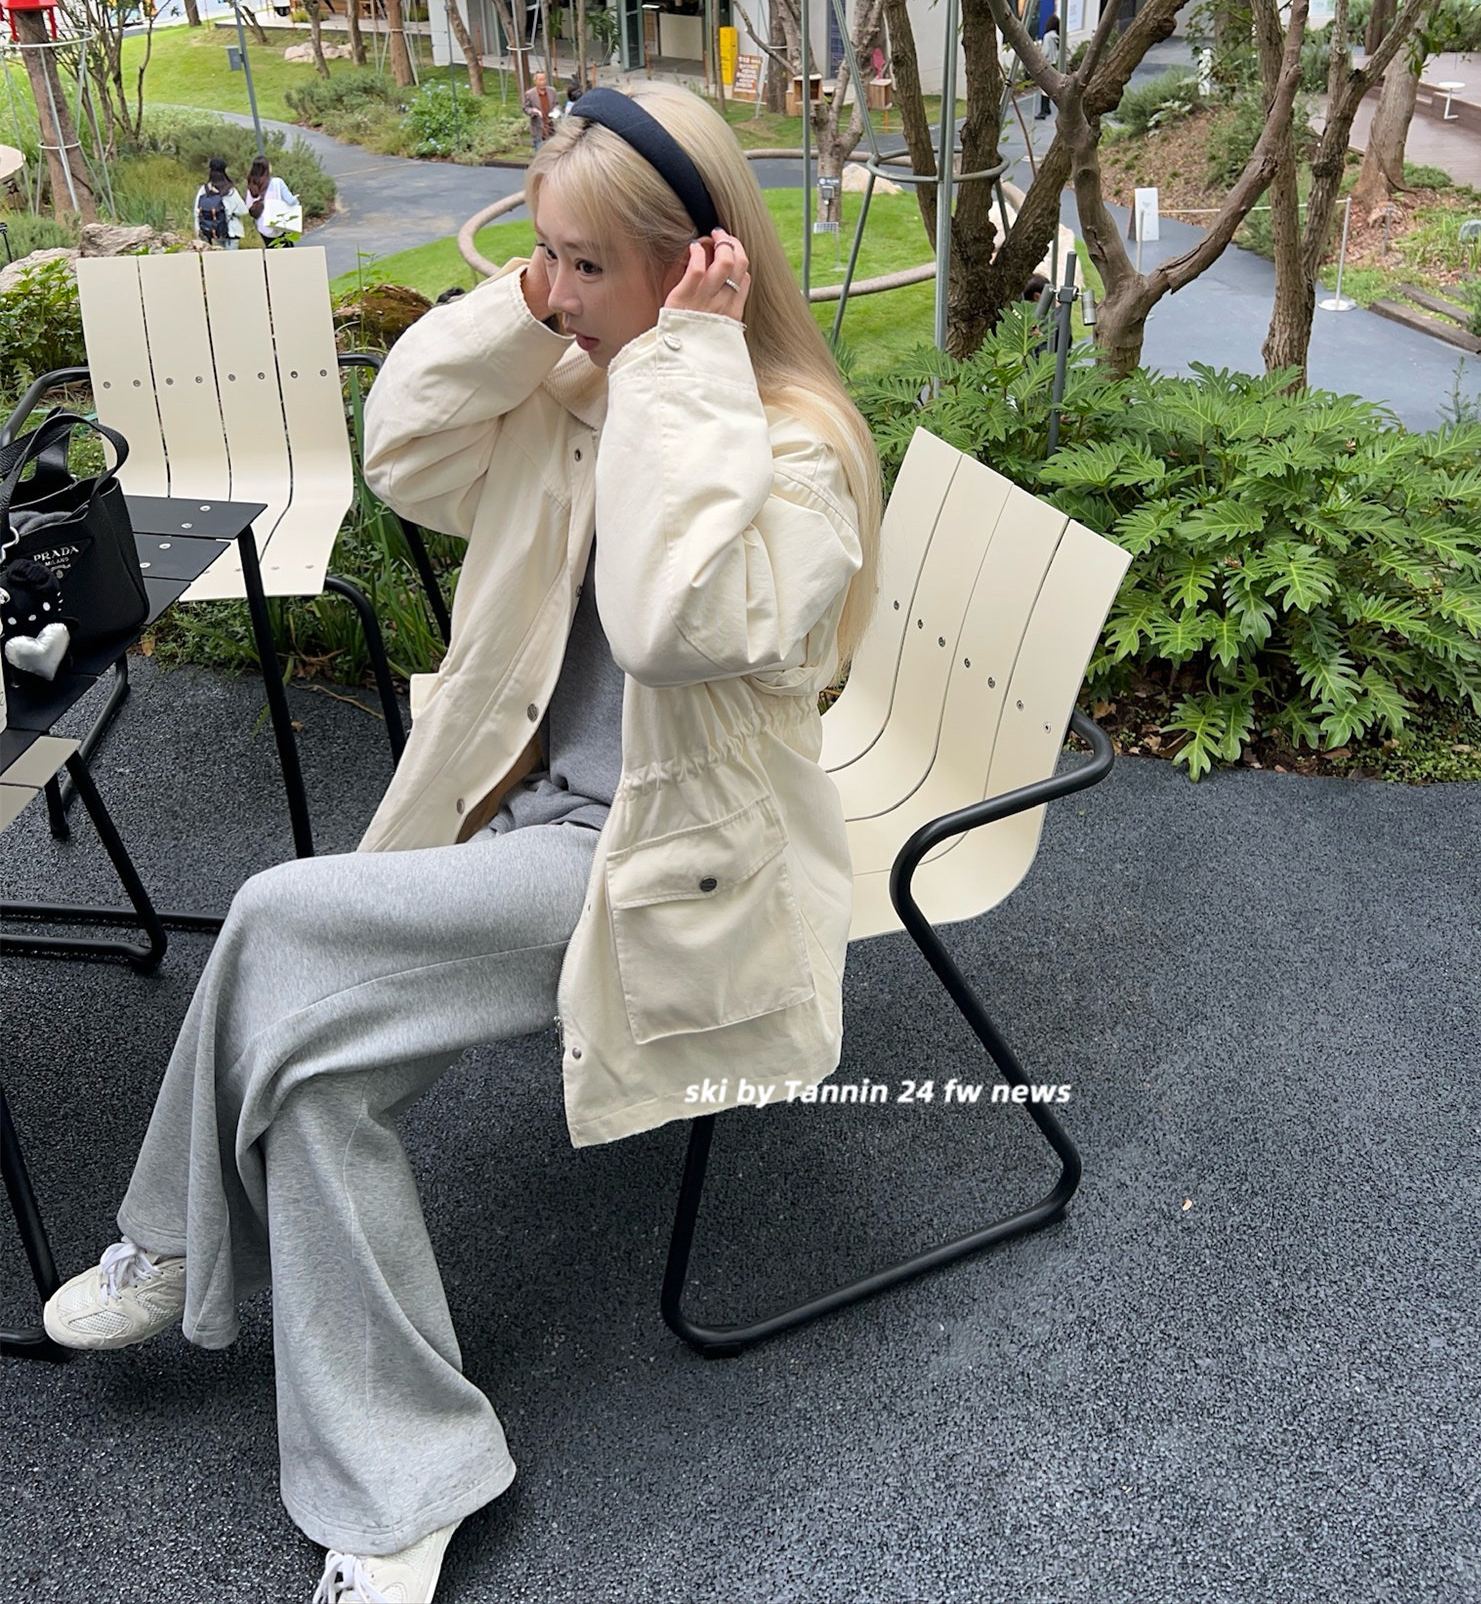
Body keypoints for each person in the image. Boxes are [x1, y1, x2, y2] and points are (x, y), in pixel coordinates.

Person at [41, 83, 883, 1604]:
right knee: (316, 1086)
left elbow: (675, 621)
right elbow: (405, 456)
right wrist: (534, 307)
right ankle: (405, 1493)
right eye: (542, 254)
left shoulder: (796, 450)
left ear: (698, 264)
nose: (555, 291)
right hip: (528, 810)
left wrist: (682, 368)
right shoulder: (579, 388)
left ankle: (167, 1237)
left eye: (584, 264)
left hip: (659, 865)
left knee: (279, 914)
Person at [246, 153, 304, 247]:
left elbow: (249, 205)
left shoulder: (252, 186)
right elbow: (290, 201)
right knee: (287, 250)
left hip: (263, 226)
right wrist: (296, 201)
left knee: (271, 250)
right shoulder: (277, 182)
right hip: (279, 224)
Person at [192, 158, 248, 250]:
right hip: (231, 232)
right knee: (232, 258)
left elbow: (197, 212)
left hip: (213, 232)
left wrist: (198, 232)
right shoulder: (230, 191)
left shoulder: (204, 189)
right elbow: (243, 211)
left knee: (218, 257)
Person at [1035, 14, 1061, 119]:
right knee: (1050, 86)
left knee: (1044, 87)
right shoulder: (1057, 37)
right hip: (1054, 63)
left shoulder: (1047, 36)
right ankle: (1046, 108)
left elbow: (1045, 51)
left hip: (1047, 63)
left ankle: (1044, 110)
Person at [522, 76, 551, 150]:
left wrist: (556, 110)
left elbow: (556, 104)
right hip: (538, 130)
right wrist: (532, 111)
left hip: (551, 129)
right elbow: (525, 108)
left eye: (544, 79)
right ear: (535, 81)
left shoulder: (552, 92)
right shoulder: (530, 94)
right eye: (540, 80)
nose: (542, 82)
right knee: (539, 153)